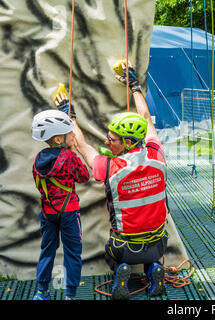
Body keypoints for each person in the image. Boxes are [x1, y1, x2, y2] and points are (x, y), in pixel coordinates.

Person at [58, 62, 169, 300]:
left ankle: (121, 271)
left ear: (128, 143)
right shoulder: (157, 155)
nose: (107, 143)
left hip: (124, 247)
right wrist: (135, 86)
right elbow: (146, 118)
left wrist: (70, 114)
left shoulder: (110, 167)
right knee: (151, 252)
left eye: (112, 140)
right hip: (159, 242)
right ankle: (153, 269)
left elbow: (80, 145)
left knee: (113, 253)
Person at [31, 109, 90, 300]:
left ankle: (42, 292)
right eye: (70, 132)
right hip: (69, 212)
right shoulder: (70, 157)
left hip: (48, 212)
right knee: (72, 252)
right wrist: (73, 153)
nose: (73, 135)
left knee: (47, 249)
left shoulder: (38, 159)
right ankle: (70, 295)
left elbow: (39, 183)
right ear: (58, 139)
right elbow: (84, 176)